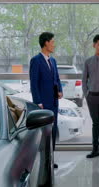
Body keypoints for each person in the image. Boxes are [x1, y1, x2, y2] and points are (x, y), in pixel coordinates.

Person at [29, 32, 63, 168]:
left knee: (53, 130)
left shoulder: (53, 60)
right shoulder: (36, 60)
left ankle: (50, 159)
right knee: (44, 133)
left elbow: (57, 79)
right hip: (43, 103)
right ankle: (43, 161)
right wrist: (38, 102)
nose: (54, 44)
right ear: (46, 43)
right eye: (52, 42)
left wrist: (60, 91)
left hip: (54, 101)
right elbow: (34, 83)